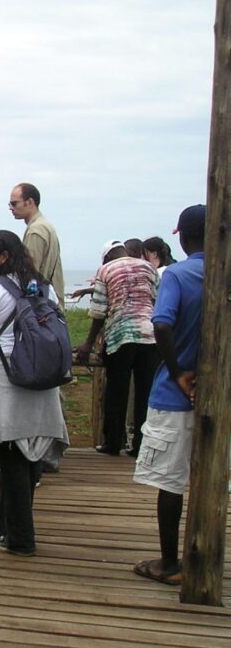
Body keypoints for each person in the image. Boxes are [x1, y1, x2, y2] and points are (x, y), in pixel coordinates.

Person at [0, 230, 69, 556]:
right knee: (30, 455)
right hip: (41, 376)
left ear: (4, 257)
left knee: (11, 455)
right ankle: (6, 532)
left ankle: (21, 540)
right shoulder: (43, 286)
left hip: (5, 378)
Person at [132, 206, 205, 585]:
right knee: (212, 480)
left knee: (172, 484)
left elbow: (161, 324)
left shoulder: (178, 274)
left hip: (176, 396)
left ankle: (170, 563)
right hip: (217, 398)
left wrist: (178, 374)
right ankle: (206, 555)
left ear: (182, 237)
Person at [75, 240, 160, 456]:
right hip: (150, 335)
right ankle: (140, 445)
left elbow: (98, 311)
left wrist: (88, 343)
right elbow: (157, 300)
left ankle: (113, 443)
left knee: (117, 391)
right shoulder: (149, 267)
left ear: (107, 257)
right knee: (145, 393)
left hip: (121, 336)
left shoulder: (105, 269)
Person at [8, 183, 65, 301]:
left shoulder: (36, 230)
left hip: (42, 305)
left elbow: (30, 272)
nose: (11, 208)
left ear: (29, 202)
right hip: (50, 303)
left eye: (14, 203)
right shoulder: (44, 225)